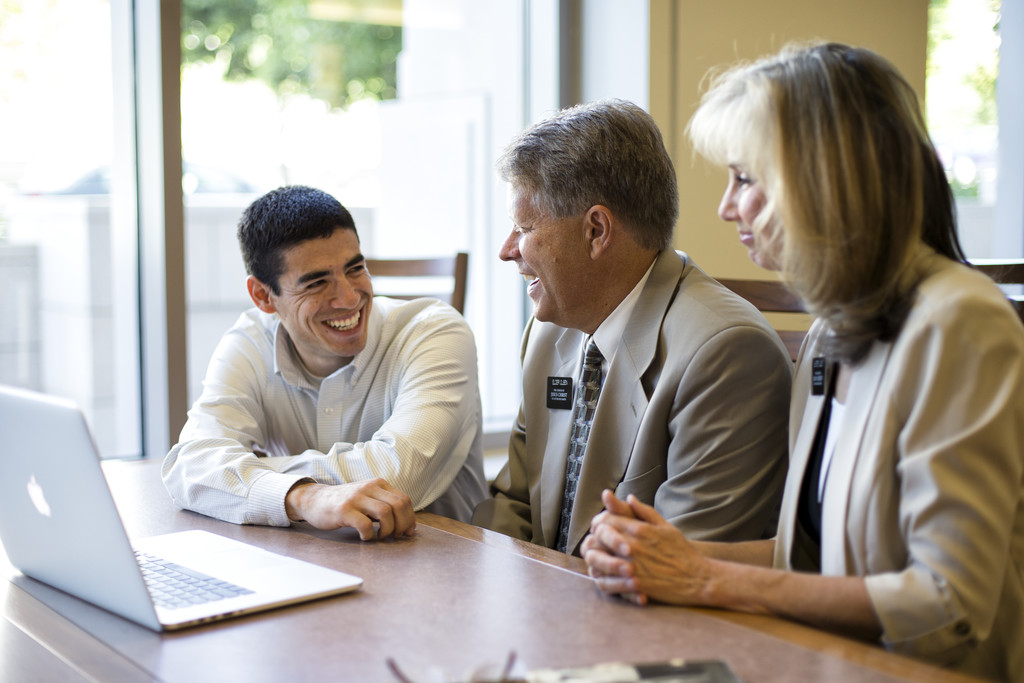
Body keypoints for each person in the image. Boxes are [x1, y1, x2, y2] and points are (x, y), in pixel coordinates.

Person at [583, 43, 1024, 681]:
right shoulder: (828, 332)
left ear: (824, 180)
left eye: (745, 178)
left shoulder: (962, 320)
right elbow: (813, 561)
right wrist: (660, 555)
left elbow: (946, 604)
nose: (726, 207)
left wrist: (704, 577)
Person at [472, 99, 792, 556]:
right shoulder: (548, 334)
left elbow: (681, 566)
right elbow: (515, 506)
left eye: (523, 227)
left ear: (597, 230)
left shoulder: (728, 353)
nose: (508, 251)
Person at [163, 185, 488, 539]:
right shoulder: (250, 341)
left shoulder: (434, 332)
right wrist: (303, 497)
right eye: (317, 283)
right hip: (309, 560)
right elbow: (190, 466)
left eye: (355, 269)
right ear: (263, 296)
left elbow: (396, 477)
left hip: (442, 564)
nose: (349, 298)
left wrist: (250, 473)